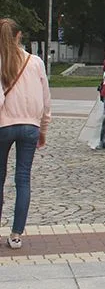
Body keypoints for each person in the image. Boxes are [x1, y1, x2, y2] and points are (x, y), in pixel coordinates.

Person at [0, 19, 51, 249]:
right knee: (23, 178)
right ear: (19, 35)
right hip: (30, 126)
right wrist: (43, 128)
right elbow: (46, 99)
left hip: (4, 125)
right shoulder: (35, 62)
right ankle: (16, 234)